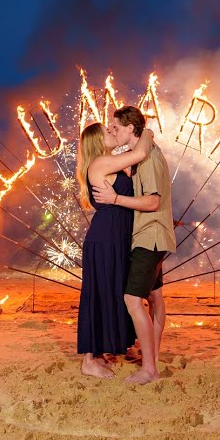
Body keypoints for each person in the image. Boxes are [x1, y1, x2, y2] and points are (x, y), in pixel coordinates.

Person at [91, 105, 174, 385]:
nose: (112, 130)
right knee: (154, 298)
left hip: (149, 237)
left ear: (130, 128)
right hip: (153, 236)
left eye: (115, 127)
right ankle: (152, 356)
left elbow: (152, 201)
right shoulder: (142, 155)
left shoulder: (148, 159)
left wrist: (115, 200)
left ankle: (149, 368)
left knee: (131, 299)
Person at [75, 121, 154, 378]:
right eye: (107, 132)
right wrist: (148, 131)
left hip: (115, 238)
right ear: (97, 141)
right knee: (98, 294)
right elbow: (141, 153)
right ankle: (88, 360)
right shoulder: (100, 163)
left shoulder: (110, 161)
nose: (112, 132)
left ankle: (98, 355)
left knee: (109, 293)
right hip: (106, 238)